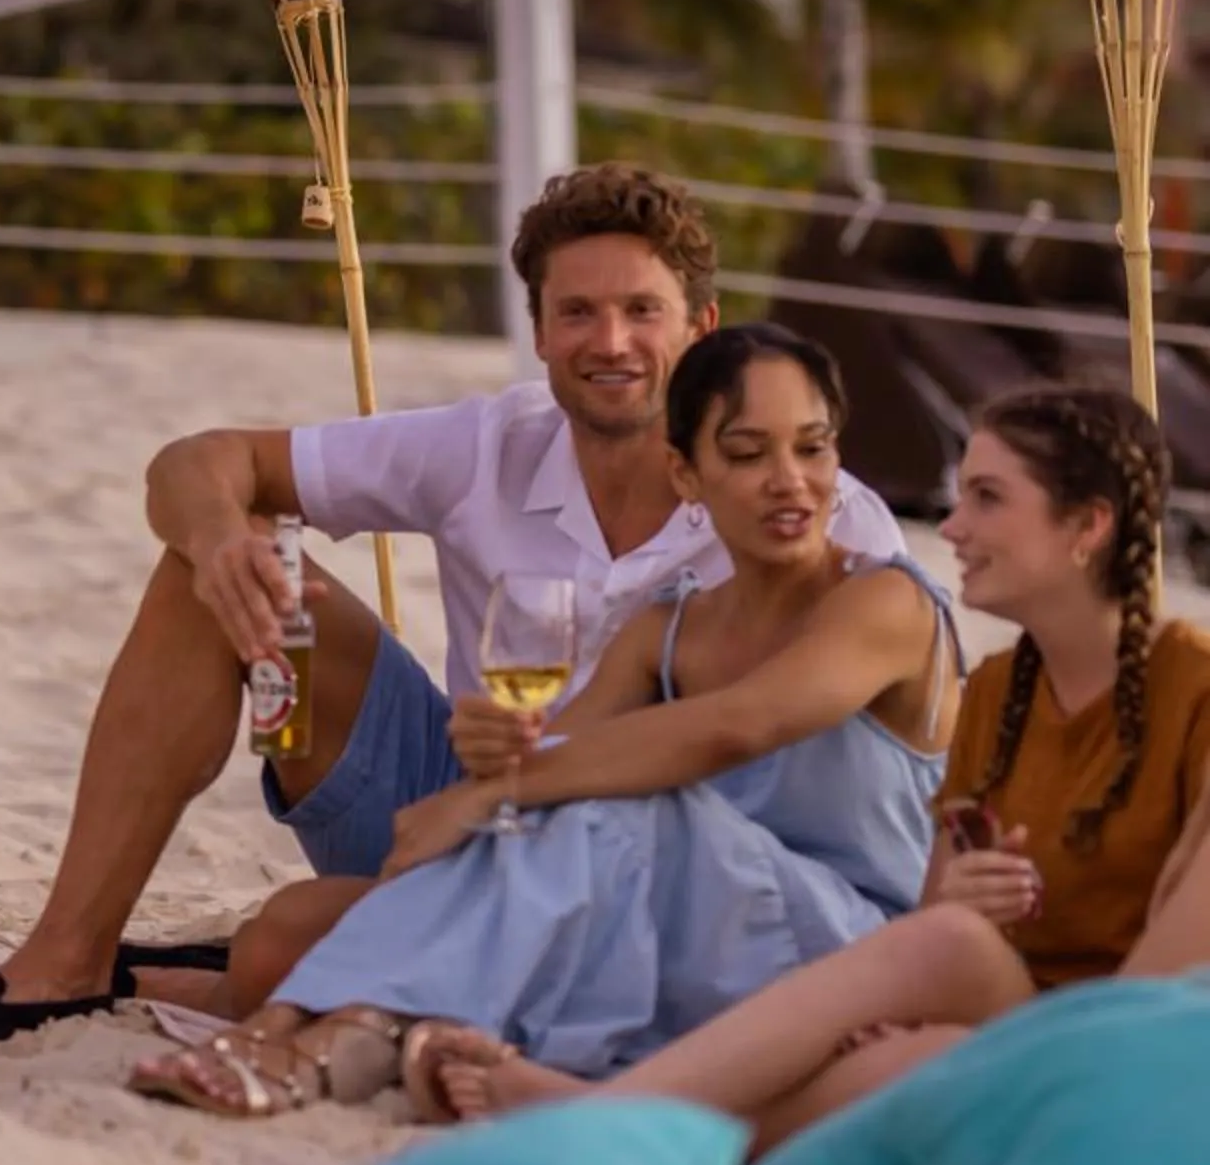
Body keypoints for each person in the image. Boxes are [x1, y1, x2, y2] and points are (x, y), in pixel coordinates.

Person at [0, 164, 906, 1049]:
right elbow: (195, 462)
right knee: (226, 561)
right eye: (578, 313)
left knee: (282, 941)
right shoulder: (486, 442)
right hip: (451, 799)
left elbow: (825, 758)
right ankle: (64, 959)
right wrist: (222, 539)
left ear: (701, 329)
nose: (612, 341)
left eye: (643, 311)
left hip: (652, 860)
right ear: (538, 331)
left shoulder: (814, 514)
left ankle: (207, 971)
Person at [126, 324, 959, 1118]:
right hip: (685, 931)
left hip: (854, 953)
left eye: (813, 448)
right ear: (686, 475)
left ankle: (341, 1036)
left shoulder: (882, 600)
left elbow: (737, 726)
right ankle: (296, 1022)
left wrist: (489, 792)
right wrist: (497, 758)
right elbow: (555, 776)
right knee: (291, 928)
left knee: (633, 806)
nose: (790, 481)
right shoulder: (669, 627)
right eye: (748, 453)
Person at [428, 382, 1210, 1151]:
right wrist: (969, 909)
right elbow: (935, 918)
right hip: (1012, 1025)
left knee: (938, 991)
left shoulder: (1195, 690)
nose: (953, 526)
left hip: (1137, 1055)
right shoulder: (1001, 693)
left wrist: (961, 947)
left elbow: (1150, 1003)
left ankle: (608, 1114)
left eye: (987, 498)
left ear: (1087, 525)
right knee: (914, 1043)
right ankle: (637, 1124)